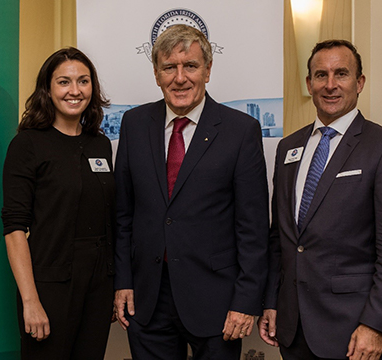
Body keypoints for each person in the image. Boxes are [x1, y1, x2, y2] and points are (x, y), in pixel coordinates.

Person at [113, 24, 269, 359]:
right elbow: (123, 215)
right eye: (169, 67)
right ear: (157, 74)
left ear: (208, 71)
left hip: (217, 301)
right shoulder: (135, 125)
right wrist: (123, 281)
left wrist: (245, 301)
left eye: (191, 66)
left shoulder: (240, 131)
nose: (179, 78)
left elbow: (253, 227)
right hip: (147, 298)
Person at [258, 39, 382, 360]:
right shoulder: (288, 148)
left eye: (341, 73)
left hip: (355, 333)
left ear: (359, 83)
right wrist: (271, 301)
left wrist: (376, 325)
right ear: (309, 84)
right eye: (320, 75)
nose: (330, 85)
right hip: (293, 329)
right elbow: (280, 238)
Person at [1, 47, 115, 359]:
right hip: (49, 289)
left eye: (83, 81)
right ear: (47, 89)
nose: (75, 91)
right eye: (64, 82)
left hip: (98, 288)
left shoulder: (100, 144)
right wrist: (30, 301)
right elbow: (13, 229)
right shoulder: (27, 145)